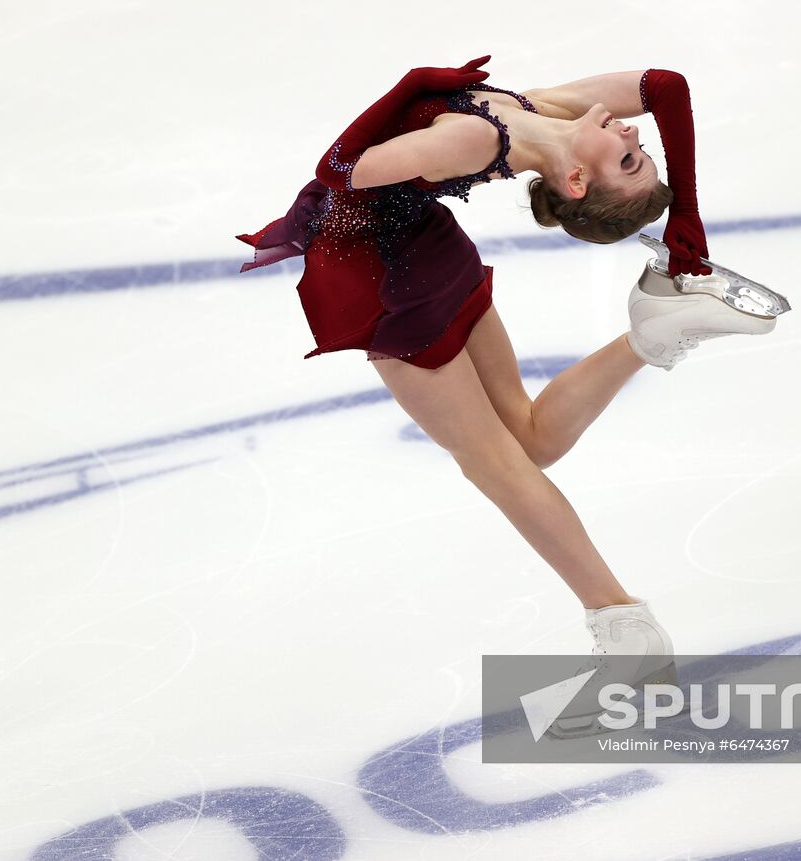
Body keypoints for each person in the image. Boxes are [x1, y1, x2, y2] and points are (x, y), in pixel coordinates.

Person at [235, 56, 773, 710]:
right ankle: (650, 336)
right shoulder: (543, 109)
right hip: (427, 247)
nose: (636, 136)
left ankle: (622, 624)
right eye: (638, 150)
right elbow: (665, 88)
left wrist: (410, 86)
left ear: (575, 179)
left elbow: (340, 171)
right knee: (529, 439)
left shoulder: (482, 136)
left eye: (629, 160)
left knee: (494, 464)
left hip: (380, 273)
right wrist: (688, 214)